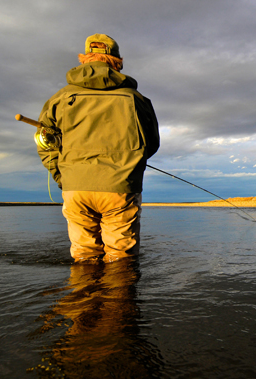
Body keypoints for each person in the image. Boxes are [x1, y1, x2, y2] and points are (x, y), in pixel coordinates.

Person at [37, 34, 159, 263]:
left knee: (84, 256)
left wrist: (63, 176)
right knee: (120, 260)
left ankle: (83, 297)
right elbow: (151, 144)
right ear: (116, 60)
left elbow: (44, 144)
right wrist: (129, 169)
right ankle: (119, 298)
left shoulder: (59, 98)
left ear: (84, 59)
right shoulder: (136, 98)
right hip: (120, 187)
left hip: (75, 187)